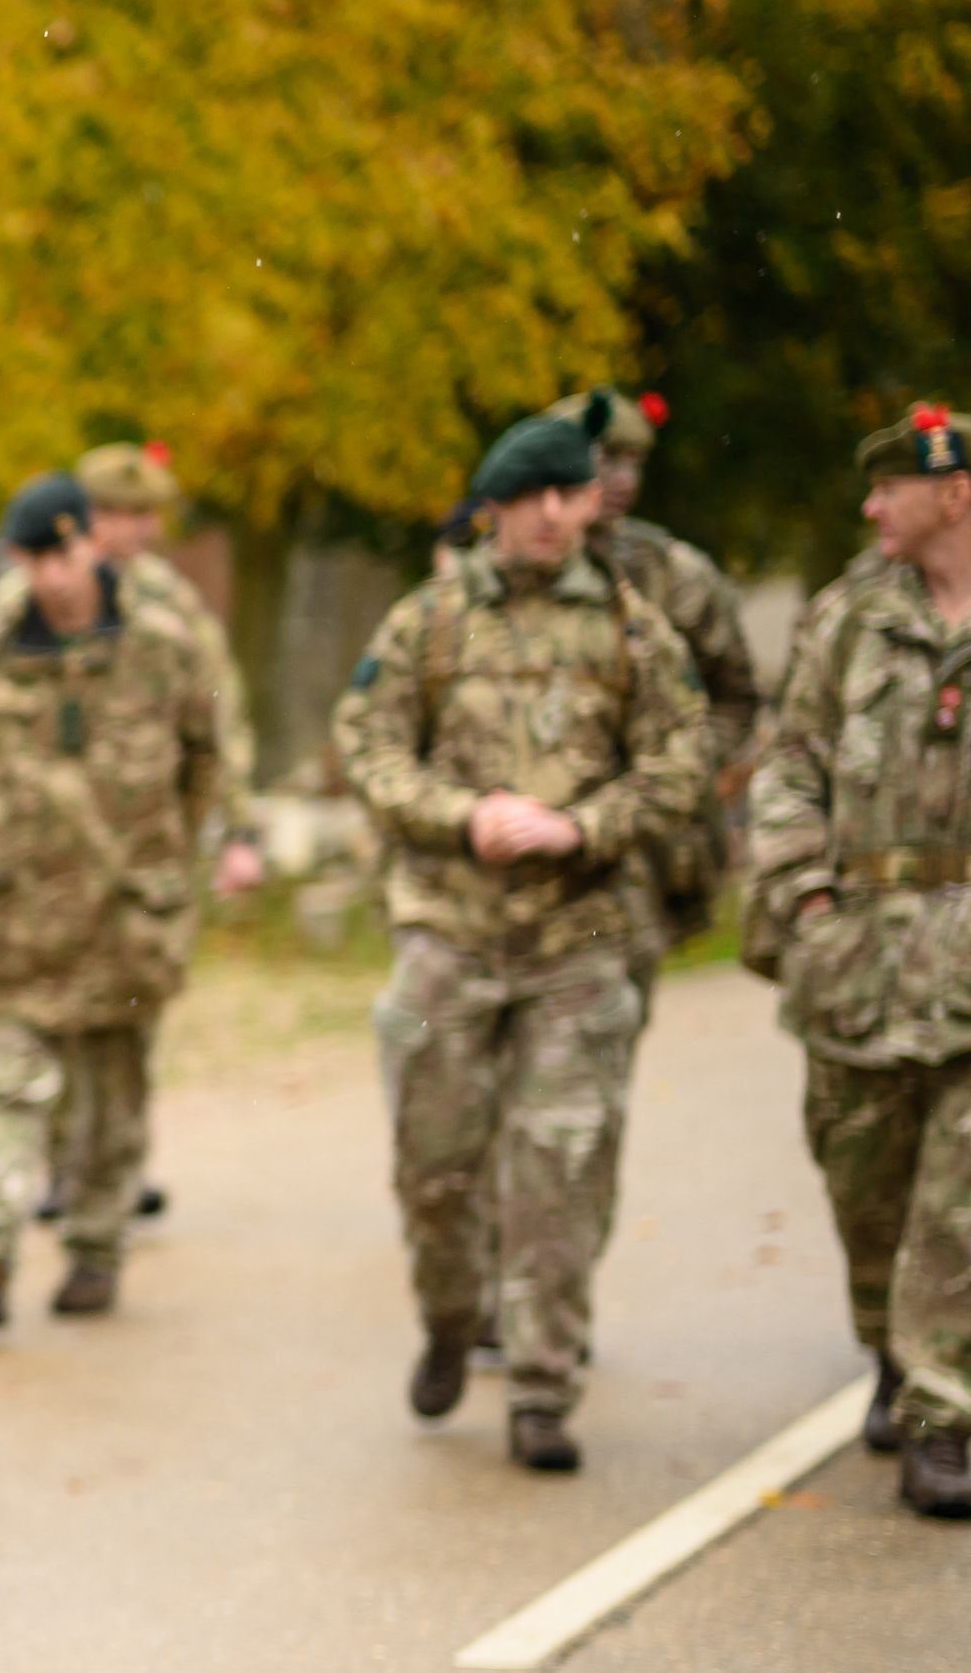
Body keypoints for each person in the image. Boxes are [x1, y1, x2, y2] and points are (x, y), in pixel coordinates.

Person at [334, 393, 709, 1474]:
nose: (552, 515)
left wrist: (579, 825)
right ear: (493, 508)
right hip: (447, 935)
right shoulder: (429, 622)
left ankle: (543, 1385)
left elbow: (682, 758)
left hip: (579, 938)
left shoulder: (634, 630)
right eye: (533, 496)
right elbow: (366, 745)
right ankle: (452, 1319)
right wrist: (462, 816)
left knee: (559, 1167)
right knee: (434, 1167)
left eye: (571, 494)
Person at [0, 474, 228, 1323]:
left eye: (61, 552)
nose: (49, 575)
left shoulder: (163, 642)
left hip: (126, 912)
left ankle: (96, 1246)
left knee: (110, 1092)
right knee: (15, 1082)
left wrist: (176, 849)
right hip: (17, 909)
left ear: (90, 542)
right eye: (31, 557)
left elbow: (209, 752)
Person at [741, 401, 971, 1518]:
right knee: (863, 1184)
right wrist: (805, 894)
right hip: (859, 952)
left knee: (961, 1195)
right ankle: (888, 1344)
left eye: (890, 487)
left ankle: (944, 1410)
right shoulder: (845, 620)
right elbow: (787, 762)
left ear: (954, 493)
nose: (871, 506)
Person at [560, 386, 764, 973]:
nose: (623, 478)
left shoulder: (673, 573)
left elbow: (736, 694)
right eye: (608, 459)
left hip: (637, 854)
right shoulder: (504, 572)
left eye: (635, 462)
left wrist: (686, 767)